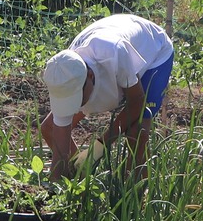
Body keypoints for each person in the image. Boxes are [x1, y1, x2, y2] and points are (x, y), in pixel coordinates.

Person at [39, 13, 175, 177]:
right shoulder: (64, 72)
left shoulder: (113, 53)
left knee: (137, 131)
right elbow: (58, 145)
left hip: (153, 53)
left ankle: (134, 194)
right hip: (114, 50)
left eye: (77, 98)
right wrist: (56, 185)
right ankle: (80, 173)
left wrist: (100, 146)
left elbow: (137, 102)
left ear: (90, 77)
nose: (76, 106)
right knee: (50, 128)